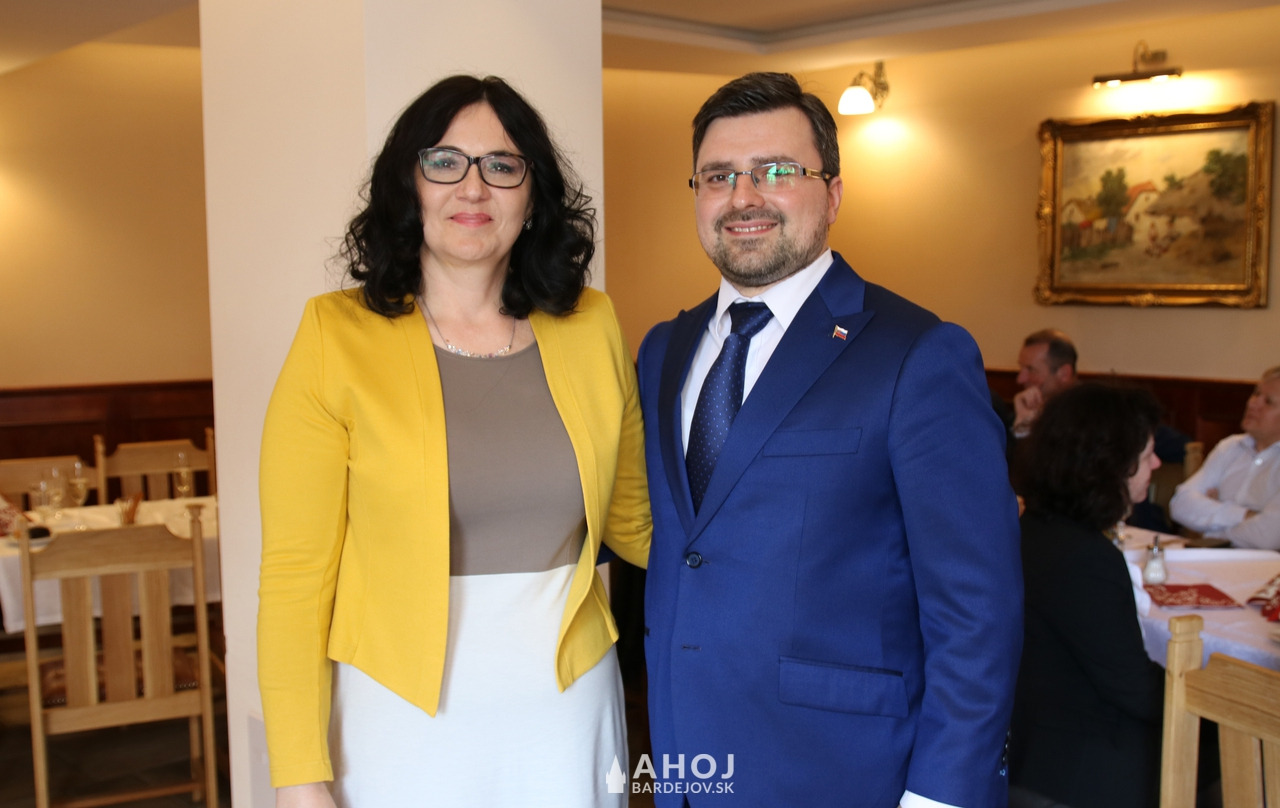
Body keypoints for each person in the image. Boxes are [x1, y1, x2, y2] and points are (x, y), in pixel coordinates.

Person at [258, 75, 650, 808]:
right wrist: (298, 775)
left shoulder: (591, 323)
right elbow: (295, 577)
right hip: (397, 716)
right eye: (444, 162)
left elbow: (636, 523)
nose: (474, 187)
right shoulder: (333, 336)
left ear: (533, 197)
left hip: (567, 712)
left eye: (502, 166)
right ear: (409, 186)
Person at [635, 71, 1023, 807]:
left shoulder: (917, 354)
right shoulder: (664, 350)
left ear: (833, 193)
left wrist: (943, 795)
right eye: (719, 176)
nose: (744, 197)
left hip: (848, 775)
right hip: (689, 769)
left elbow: (977, 611)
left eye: (777, 171)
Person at [1010, 382, 1167, 808]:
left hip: (1029, 751)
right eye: (1147, 455)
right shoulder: (1085, 558)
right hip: (1077, 775)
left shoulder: (1029, 531)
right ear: (1113, 465)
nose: (1156, 464)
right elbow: (1138, 693)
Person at [1170, 365, 1280, 549]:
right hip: (1213, 558)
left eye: (1268, 401)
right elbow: (1180, 504)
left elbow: (1268, 536)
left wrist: (1208, 531)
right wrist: (1246, 515)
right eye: (1256, 394)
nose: (1253, 404)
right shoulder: (1230, 447)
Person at [1008, 329, 1077, 439]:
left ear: (1064, 374)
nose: (1020, 379)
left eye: (1031, 369)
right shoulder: (1023, 410)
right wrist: (1023, 428)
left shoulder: (1086, 420)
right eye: (1021, 368)